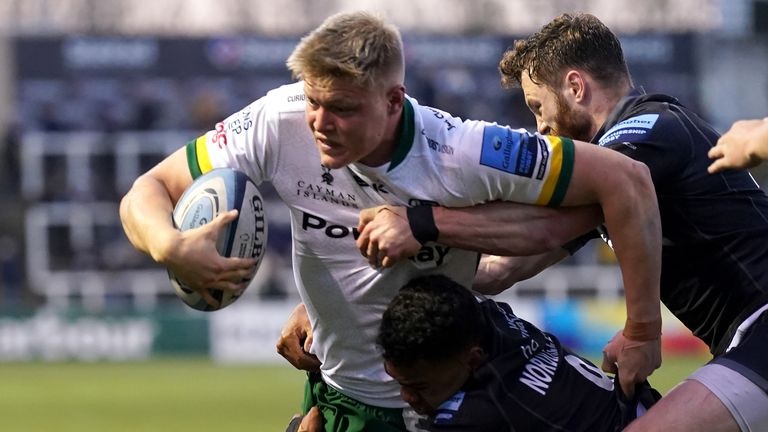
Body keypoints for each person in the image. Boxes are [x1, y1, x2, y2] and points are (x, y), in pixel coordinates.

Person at [120, 11, 663, 432]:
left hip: (438, 400)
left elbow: (628, 182)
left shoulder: (462, 152)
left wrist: (642, 330)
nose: (320, 124)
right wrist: (169, 245)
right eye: (313, 101)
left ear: (393, 100)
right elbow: (148, 190)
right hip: (336, 395)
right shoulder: (279, 119)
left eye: (342, 109)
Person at [358, 12, 768, 432]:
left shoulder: (648, 131)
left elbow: (541, 226)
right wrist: (363, 290)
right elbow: (504, 268)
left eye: (538, 107)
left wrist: (423, 223)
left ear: (575, 86)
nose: (541, 128)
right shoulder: (612, 182)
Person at [378, 274, 660, 432]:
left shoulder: (473, 417)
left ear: (473, 359)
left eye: (419, 386)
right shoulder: (488, 315)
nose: (406, 397)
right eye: (400, 382)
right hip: (645, 409)